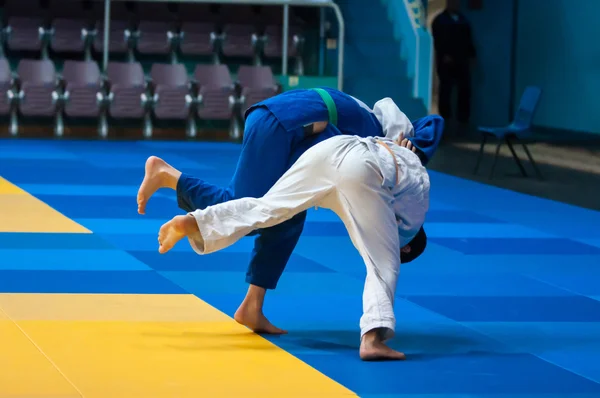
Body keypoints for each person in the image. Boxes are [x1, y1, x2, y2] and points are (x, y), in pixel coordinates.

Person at [137, 88, 443, 335]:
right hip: (293, 121)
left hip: (296, 125)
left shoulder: (385, 160)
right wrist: (414, 144)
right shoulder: (397, 156)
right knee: (254, 208)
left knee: (288, 214)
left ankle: (252, 306)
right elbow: (431, 122)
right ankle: (169, 177)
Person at [156, 132, 430, 361]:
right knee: (383, 263)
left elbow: (393, 112)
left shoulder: (411, 170)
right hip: (364, 166)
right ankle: (372, 339)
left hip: (330, 148)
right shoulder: (413, 220)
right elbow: (384, 243)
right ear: (408, 246)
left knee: (269, 208)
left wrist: (408, 139)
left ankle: (197, 221)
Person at [432, 0, 476, 126]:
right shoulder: (440, 20)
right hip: (446, 64)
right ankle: (445, 120)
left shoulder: (463, 20)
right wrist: (444, 55)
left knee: (464, 91)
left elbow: (469, 40)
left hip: (462, 62)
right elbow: (438, 41)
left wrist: (472, 55)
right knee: (446, 91)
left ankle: (463, 120)